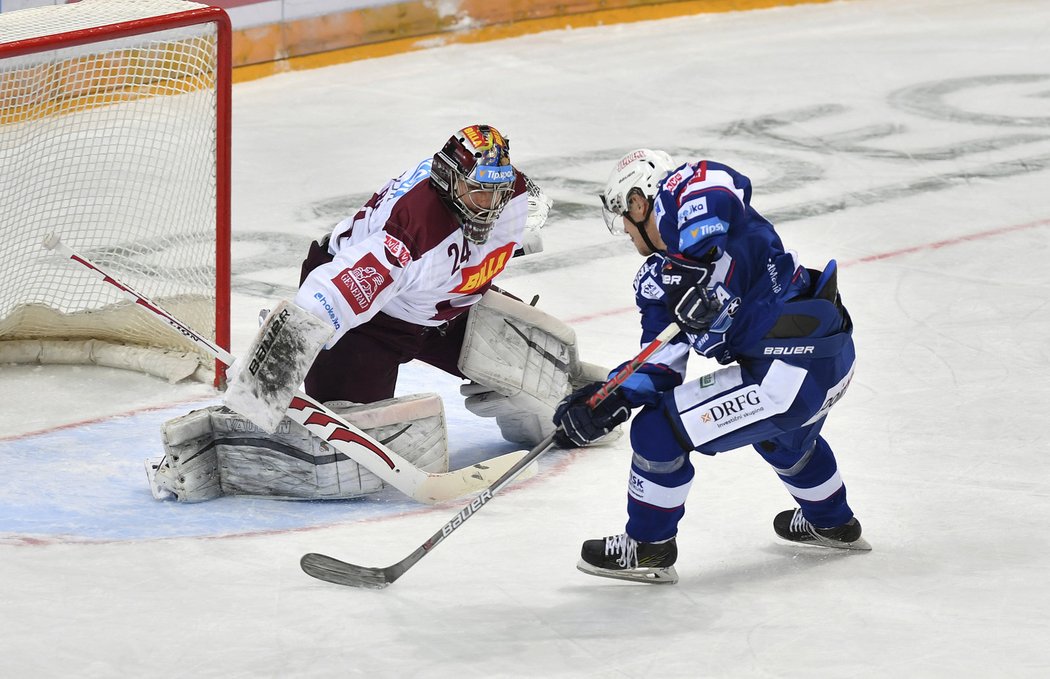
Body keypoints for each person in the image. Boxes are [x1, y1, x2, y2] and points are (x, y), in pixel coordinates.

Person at [152, 125, 605, 503]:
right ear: (448, 180)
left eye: (496, 192)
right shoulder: (408, 236)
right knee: (342, 459)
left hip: (448, 307)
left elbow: (513, 224)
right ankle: (213, 447)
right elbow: (327, 297)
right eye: (476, 192)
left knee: (541, 386)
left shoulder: (514, 195)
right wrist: (268, 369)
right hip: (370, 327)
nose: (489, 205)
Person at [552, 149, 869, 585]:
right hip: (818, 367)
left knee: (658, 431)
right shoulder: (656, 283)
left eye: (624, 213)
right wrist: (606, 399)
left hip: (792, 366)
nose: (624, 228)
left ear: (641, 202)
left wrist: (697, 263)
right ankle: (832, 522)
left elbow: (725, 185)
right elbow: (660, 367)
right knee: (784, 442)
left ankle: (648, 547)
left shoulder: (689, 192)